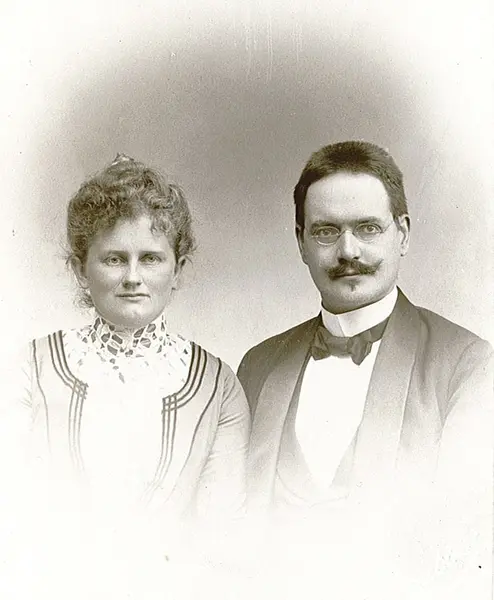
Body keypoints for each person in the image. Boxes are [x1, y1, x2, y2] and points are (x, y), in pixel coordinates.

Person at [237, 141, 493, 598]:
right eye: (326, 232)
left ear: (403, 234)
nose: (348, 250)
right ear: (301, 242)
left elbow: (463, 554)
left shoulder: (467, 365)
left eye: (368, 228)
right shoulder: (259, 365)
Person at [3, 154, 250, 599]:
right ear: (81, 270)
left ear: (178, 270)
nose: (133, 277)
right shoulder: (29, 370)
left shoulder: (218, 387)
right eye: (114, 259)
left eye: (151, 258)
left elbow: (221, 542)